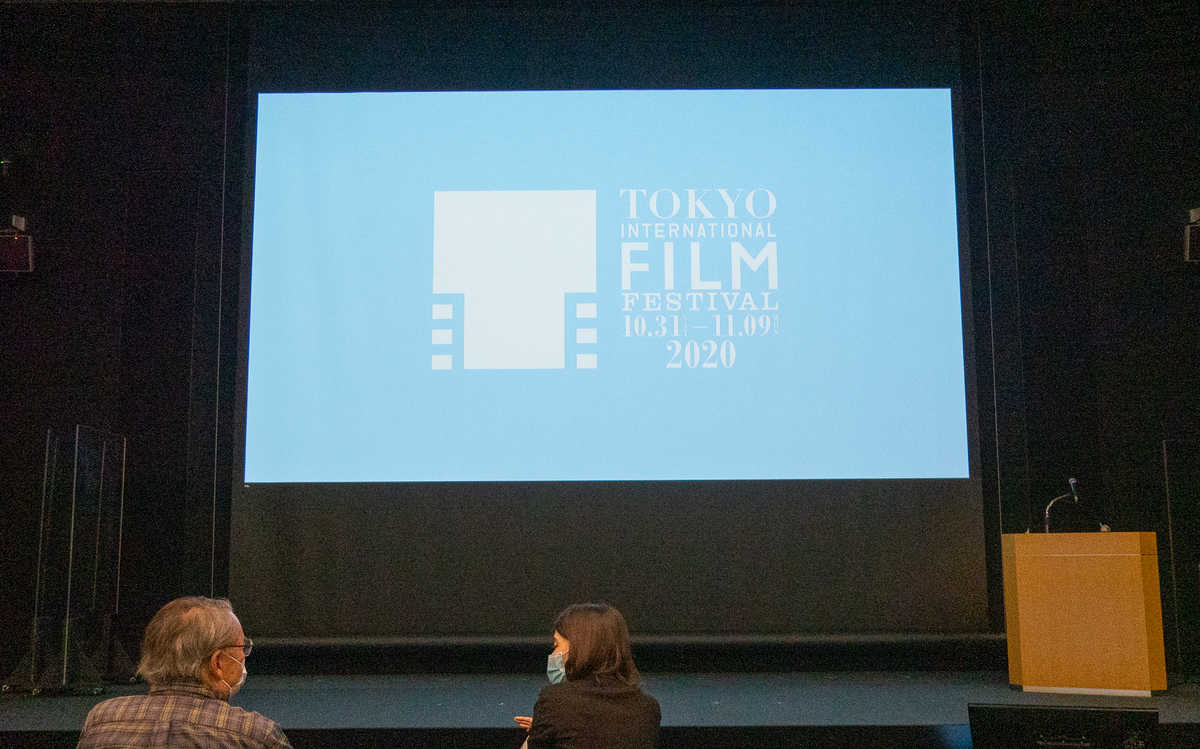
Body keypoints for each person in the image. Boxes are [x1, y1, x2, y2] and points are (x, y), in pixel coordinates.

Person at [77, 596, 291, 748]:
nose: (244, 655)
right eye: (242, 648)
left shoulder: (100, 721)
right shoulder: (255, 735)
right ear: (217, 663)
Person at [514, 603, 660, 749]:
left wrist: (539, 731)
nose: (553, 654)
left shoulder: (555, 701)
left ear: (579, 648)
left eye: (556, 645)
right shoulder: (648, 708)